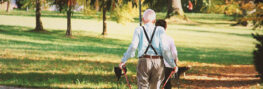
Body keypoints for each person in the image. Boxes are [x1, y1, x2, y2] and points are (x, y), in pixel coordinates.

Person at [119, 9, 178, 89]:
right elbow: (165, 49)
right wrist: (172, 65)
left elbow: (133, 46)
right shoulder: (160, 30)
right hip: (158, 62)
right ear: (154, 20)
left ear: (143, 20)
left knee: (143, 86)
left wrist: (123, 60)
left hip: (143, 61)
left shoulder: (139, 30)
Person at [156, 19, 179, 89]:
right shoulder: (169, 39)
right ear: (165, 28)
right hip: (167, 65)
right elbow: (174, 53)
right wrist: (175, 63)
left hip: (154, 64)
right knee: (167, 84)